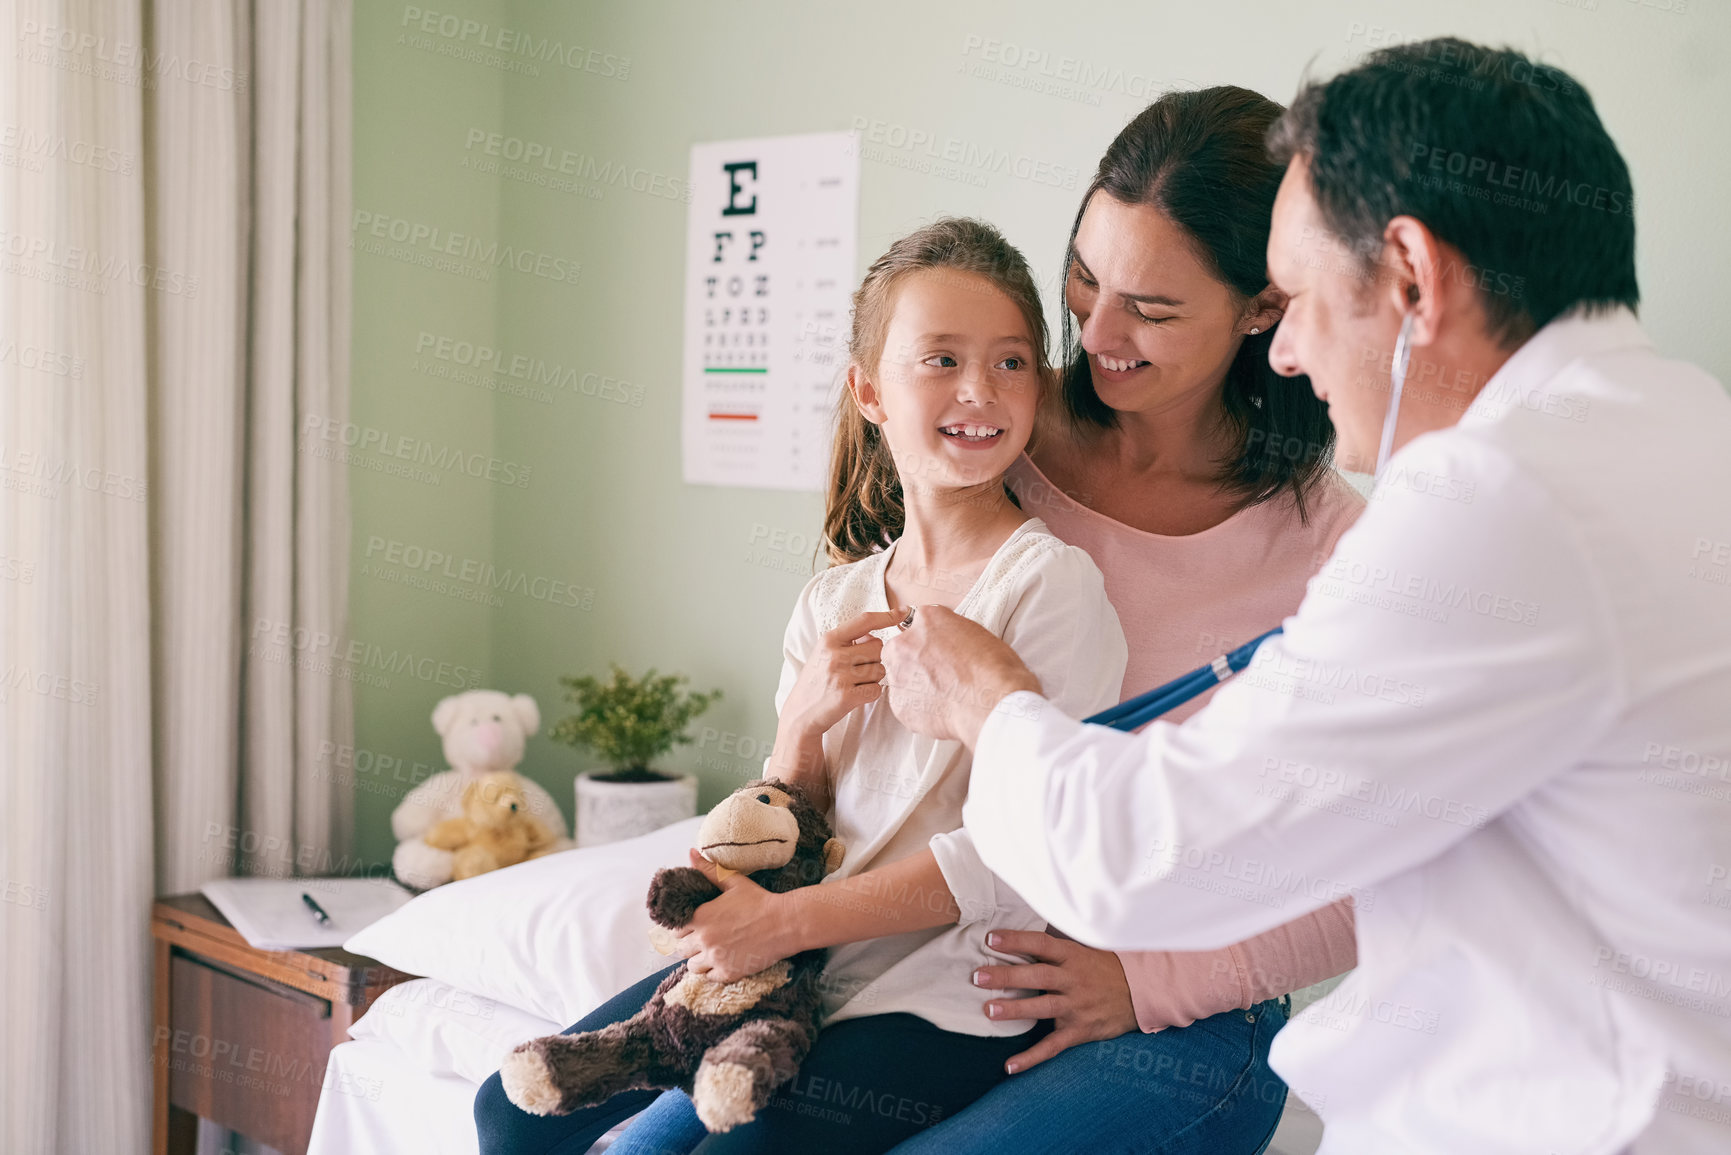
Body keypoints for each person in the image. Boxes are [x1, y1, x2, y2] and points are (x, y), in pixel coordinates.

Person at [881, 37, 1731, 1155]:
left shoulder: (1490, 502)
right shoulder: (1686, 426)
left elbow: (1152, 857)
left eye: (1301, 297)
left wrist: (991, 703)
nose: (1285, 351)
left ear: (1413, 278)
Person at [475, 217, 1129, 1153]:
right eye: (939, 360)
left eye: (1012, 362)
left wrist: (780, 923)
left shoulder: (1049, 585)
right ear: (869, 390)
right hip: (802, 956)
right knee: (509, 1113)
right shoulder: (837, 598)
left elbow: (1019, 856)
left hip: (953, 981)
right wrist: (801, 725)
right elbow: (789, 823)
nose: (979, 391)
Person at [895, 86, 1364, 1155]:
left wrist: (1150, 982)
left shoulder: (1333, 549)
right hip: (926, 945)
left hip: (1173, 1000)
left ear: (1262, 308)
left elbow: (1375, 869)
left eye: (1151, 309)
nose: (1097, 334)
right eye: (1086, 279)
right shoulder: (990, 427)